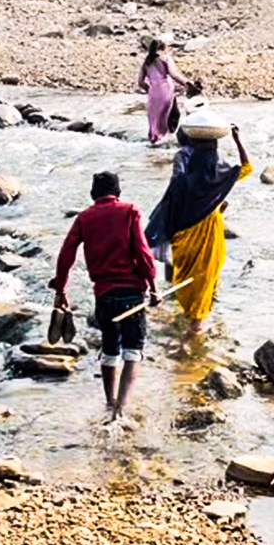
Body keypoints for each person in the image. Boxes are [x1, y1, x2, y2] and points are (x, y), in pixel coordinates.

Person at [50, 171, 159, 423]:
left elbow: (66, 254)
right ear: (118, 192)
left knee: (110, 350)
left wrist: (61, 290)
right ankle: (121, 408)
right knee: (133, 352)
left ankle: (109, 403)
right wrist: (153, 287)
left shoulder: (84, 218)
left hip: (104, 295)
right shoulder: (129, 212)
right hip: (132, 294)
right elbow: (142, 253)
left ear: (92, 194)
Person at [145, 124, 252, 333]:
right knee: (206, 279)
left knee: (184, 279)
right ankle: (196, 332)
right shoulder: (220, 178)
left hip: (183, 236)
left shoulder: (182, 183)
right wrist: (238, 140)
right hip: (211, 234)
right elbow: (247, 168)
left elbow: (170, 202)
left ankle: (187, 323)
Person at [137, 35, 192, 146]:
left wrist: (150, 89)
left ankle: (155, 138)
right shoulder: (166, 59)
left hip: (153, 93)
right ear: (163, 48)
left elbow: (140, 82)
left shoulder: (146, 62)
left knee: (155, 117)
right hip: (166, 90)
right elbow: (173, 74)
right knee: (172, 114)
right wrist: (187, 83)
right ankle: (169, 138)